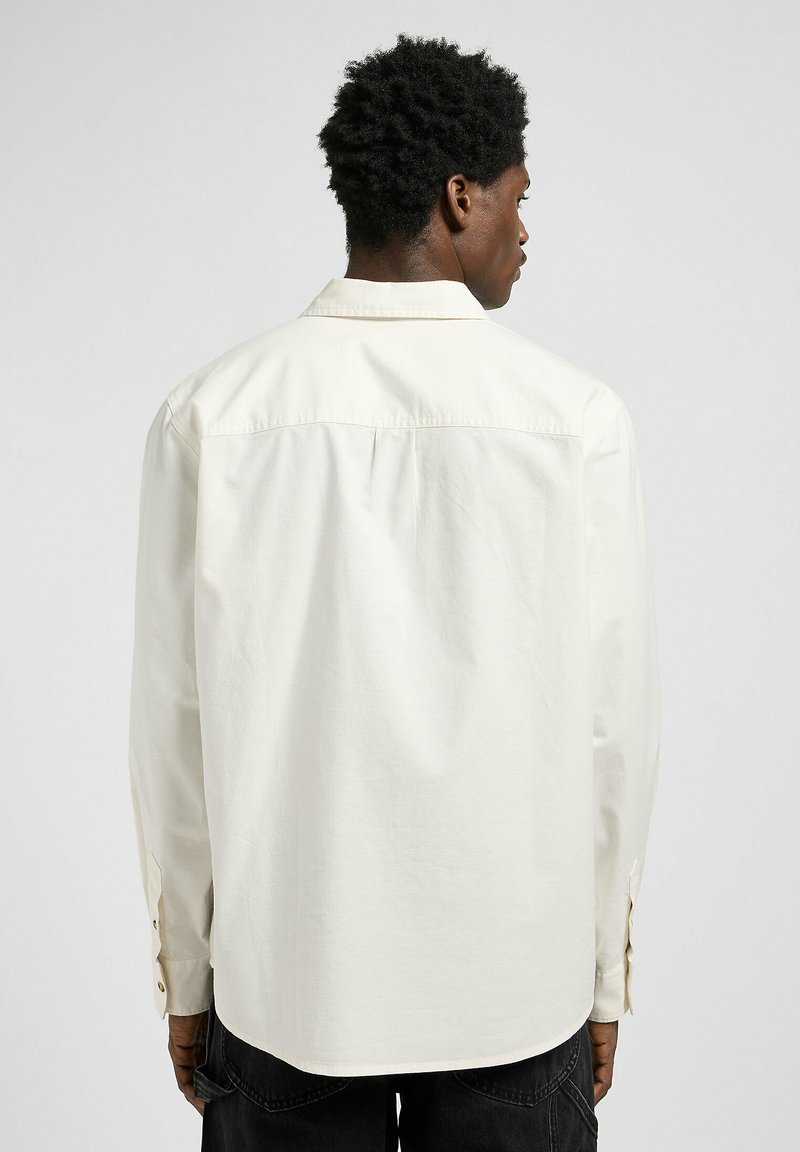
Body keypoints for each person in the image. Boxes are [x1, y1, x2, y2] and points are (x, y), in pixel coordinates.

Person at [128, 32, 660, 1151]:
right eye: (517, 198)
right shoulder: (575, 421)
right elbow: (614, 733)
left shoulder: (211, 414)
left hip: (288, 985)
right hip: (517, 990)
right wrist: (602, 978)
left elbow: (174, 732)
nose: (525, 230)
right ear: (461, 197)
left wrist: (188, 970)